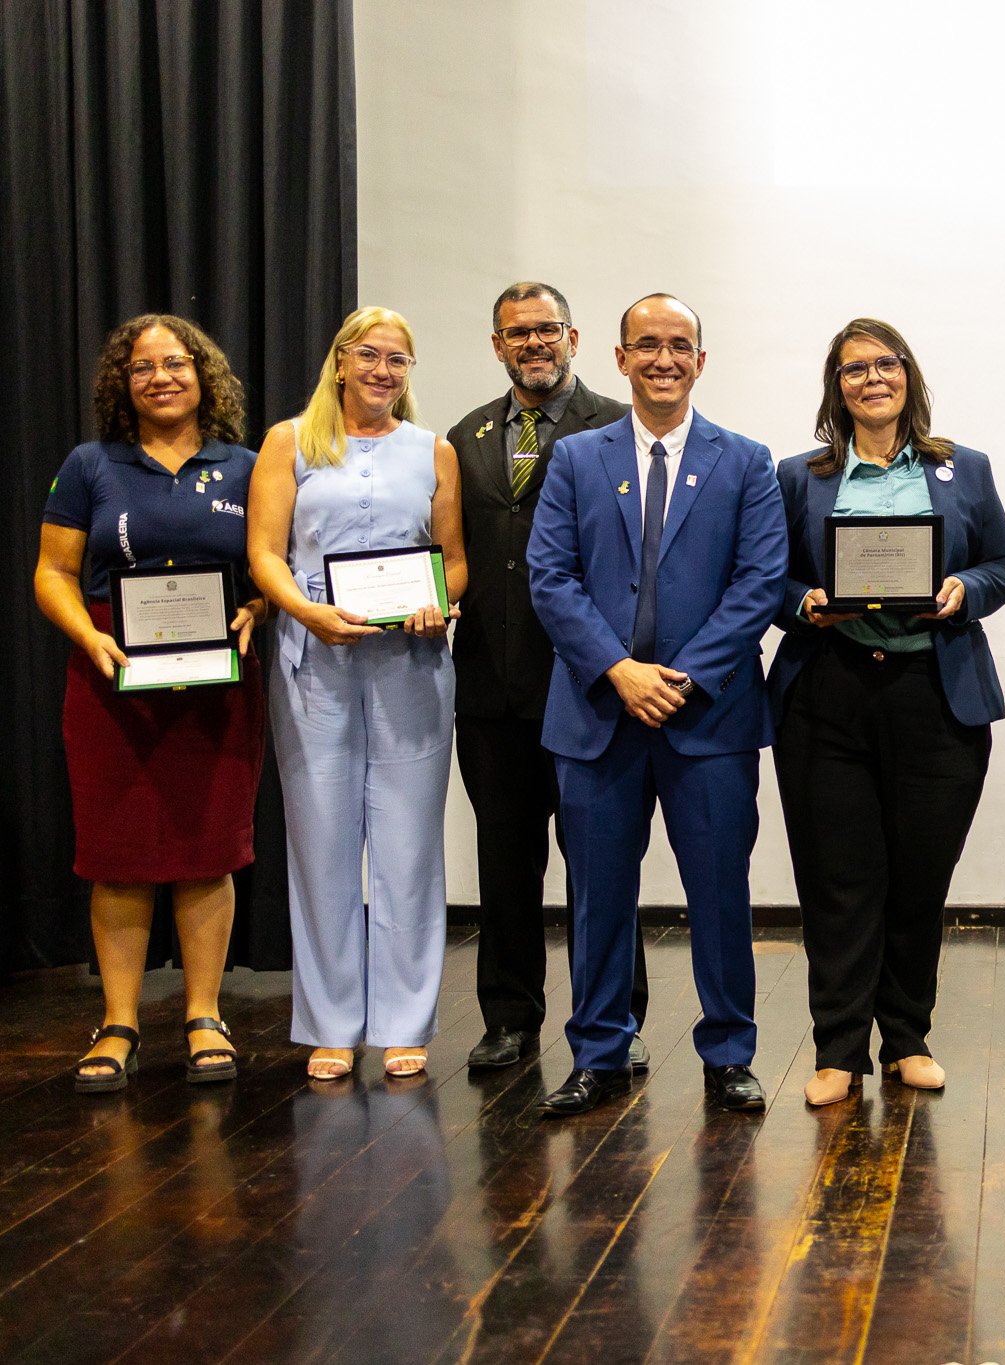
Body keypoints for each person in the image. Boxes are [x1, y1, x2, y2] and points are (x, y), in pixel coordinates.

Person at [527, 293, 786, 1116]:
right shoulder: (576, 459)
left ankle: (729, 1052)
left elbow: (759, 584)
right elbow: (550, 577)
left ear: (700, 361)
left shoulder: (746, 461)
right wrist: (618, 670)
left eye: (679, 345)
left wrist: (680, 677)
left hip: (708, 717)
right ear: (619, 357)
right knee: (599, 896)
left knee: (719, 892)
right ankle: (599, 1051)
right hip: (597, 715)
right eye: (647, 345)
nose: (663, 359)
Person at [768, 318, 1005, 1108]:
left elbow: (1003, 567)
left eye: (886, 363)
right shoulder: (799, 476)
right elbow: (766, 578)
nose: (872, 378)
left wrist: (964, 589)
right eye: (855, 369)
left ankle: (907, 1038)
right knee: (837, 882)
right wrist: (806, 602)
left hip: (934, 694)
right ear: (836, 386)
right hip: (828, 693)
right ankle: (838, 1049)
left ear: (909, 375)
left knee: (918, 878)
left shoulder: (964, 468)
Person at [35, 314, 268, 1092]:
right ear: (121, 382)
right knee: (119, 854)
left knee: (207, 849)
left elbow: (277, 565)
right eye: (143, 367)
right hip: (113, 674)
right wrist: (89, 637)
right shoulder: (90, 465)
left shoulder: (247, 466)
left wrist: (260, 606)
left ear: (204, 376)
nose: (161, 377)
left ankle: (204, 1015)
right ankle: (119, 1022)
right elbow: (52, 572)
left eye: (176, 363)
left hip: (219, 678)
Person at [248, 306, 468, 1081]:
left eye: (397, 359)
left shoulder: (433, 450)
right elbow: (264, 554)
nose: (382, 370)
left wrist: (438, 601)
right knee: (322, 843)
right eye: (369, 355)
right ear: (340, 360)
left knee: (409, 847)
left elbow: (453, 560)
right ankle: (332, 1024)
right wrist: (305, 611)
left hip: (412, 661)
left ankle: (405, 1022)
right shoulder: (289, 442)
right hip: (314, 656)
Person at [449, 282, 652, 1073]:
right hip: (491, 689)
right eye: (517, 333)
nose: (533, 343)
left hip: (588, 685)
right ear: (497, 345)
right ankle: (509, 1016)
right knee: (504, 864)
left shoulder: (620, 426)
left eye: (547, 329)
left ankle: (618, 1015)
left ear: (574, 337)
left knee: (603, 865)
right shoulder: (466, 436)